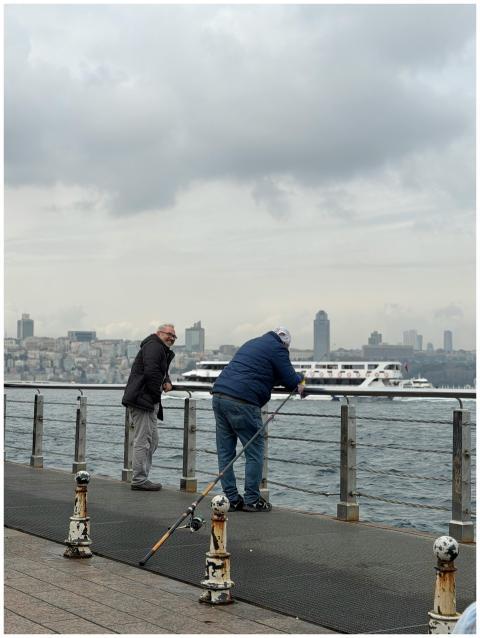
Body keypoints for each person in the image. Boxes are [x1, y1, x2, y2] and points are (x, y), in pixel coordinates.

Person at [212, 327, 304, 512]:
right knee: (254, 451)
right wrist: (301, 379)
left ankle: (231, 498)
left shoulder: (253, 343)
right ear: (285, 344)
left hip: (220, 395)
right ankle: (252, 500)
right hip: (243, 401)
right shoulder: (278, 349)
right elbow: (291, 379)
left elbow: (261, 371)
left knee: (225, 451)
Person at [122, 324, 176, 491]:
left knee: (152, 440)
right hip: (143, 399)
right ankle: (139, 480)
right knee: (143, 441)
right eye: (169, 334)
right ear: (158, 333)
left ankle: (142, 476)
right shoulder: (154, 347)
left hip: (146, 399)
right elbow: (152, 371)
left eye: (174, 336)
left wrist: (167, 380)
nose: (172, 338)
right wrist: (155, 396)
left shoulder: (159, 348)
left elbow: (160, 370)